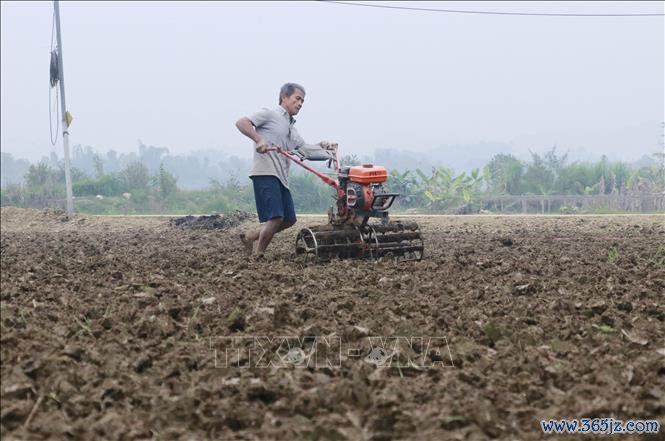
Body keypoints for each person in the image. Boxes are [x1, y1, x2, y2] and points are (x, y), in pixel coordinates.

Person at [235, 83, 337, 259]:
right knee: (276, 217)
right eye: (297, 99)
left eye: (303, 101)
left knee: (289, 219)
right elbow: (241, 123)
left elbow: (305, 150)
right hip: (265, 172)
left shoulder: (291, 129)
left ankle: (251, 236)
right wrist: (258, 139)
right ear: (284, 97)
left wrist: (327, 151)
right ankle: (259, 256)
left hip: (281, 177)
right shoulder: (269, 114)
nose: (300, 104)